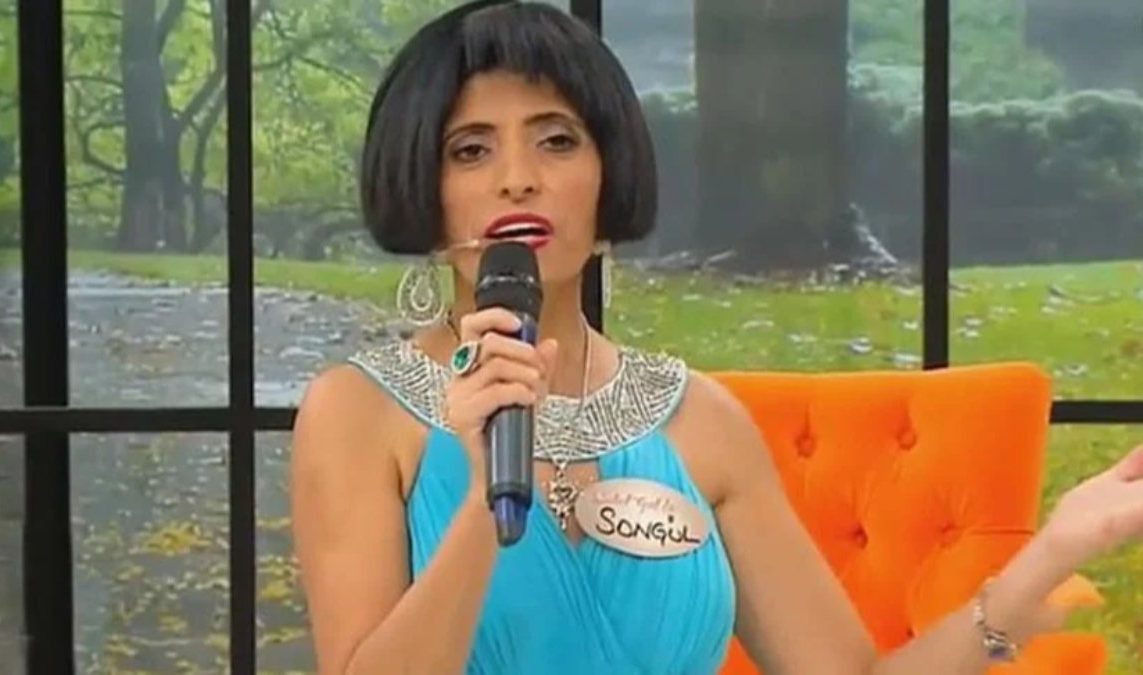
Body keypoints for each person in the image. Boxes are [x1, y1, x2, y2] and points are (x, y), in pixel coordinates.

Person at [289, 2, 1143, 673]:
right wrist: (484, 501)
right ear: (423, 186)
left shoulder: (700, 420)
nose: (520, 177)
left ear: (608, 170)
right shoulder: (358, 414)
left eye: (557, 140)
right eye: (471, 150)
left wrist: (1050, 554)